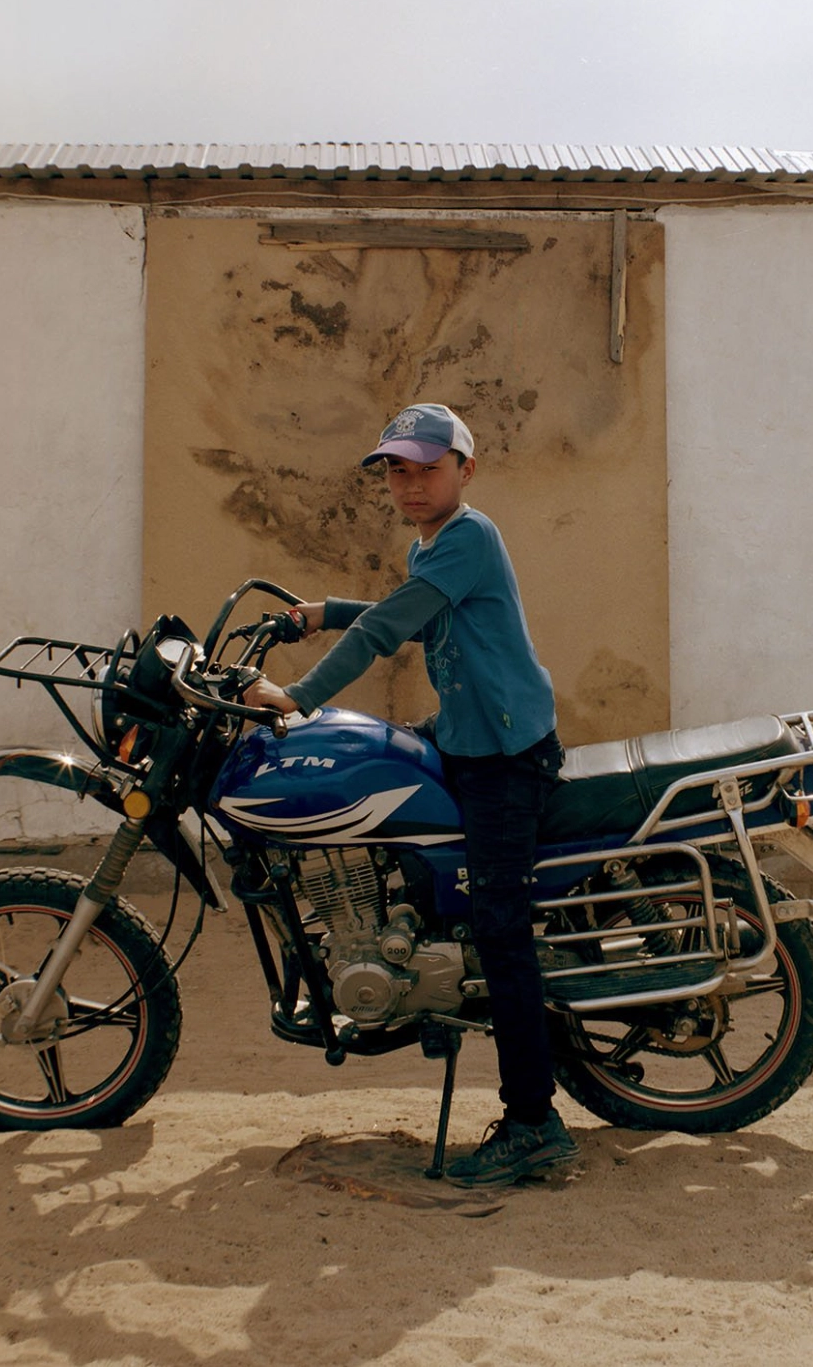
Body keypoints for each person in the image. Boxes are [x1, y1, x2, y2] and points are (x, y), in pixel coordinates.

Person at [243, 402, 580, 1189]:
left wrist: (295, 697)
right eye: (396, 468)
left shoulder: (469, 537)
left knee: (501, 929)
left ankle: (535, 1123)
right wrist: (324, 611)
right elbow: (420, 619)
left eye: (425, 467)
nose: (409, 482)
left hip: (503, 756)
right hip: (469, 730)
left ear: (466, 468)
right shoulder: (435, 544)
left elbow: (387, 632)